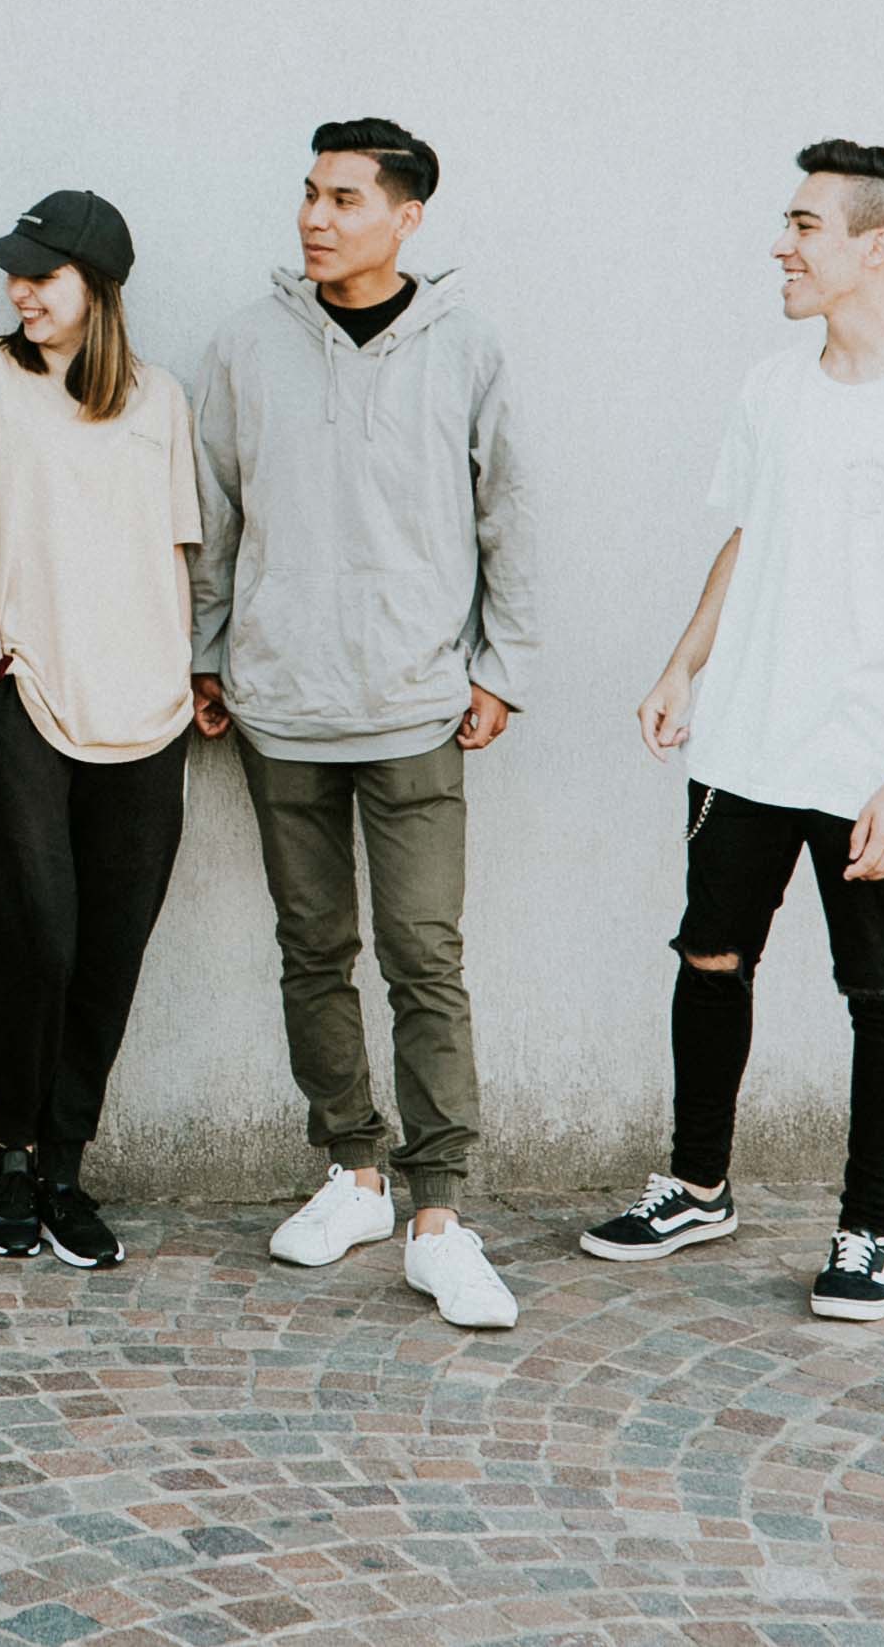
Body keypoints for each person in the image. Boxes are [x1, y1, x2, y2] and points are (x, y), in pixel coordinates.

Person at [582, 141, 884, 1323]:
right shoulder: (772, 385)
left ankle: (869, 1232)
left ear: (876, 246)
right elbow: (747, 537)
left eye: (804, 223)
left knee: (878, 986)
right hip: (744, 739)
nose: (780, 242)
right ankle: (696, 1182)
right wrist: (683, 662)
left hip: (867, 759)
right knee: (708, 954)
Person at [191, 119, 536, 1331]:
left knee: (424, 956)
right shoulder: (244, 345)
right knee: (310, 947)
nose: (314, 216)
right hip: (279, 701)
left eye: (343, 196)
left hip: (413, 704)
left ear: (406, 216)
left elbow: (510, 517)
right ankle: (352, 1168)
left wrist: (504, 663)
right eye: (307, 192)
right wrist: (208, 648)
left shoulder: (467, 347)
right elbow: (215, 514)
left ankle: (441, 1210)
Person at [0, 189, 205, 1271]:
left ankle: (67, 1158)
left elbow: (176, 550)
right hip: (22, 695)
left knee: (112, 949)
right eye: (13, 273)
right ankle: (10, 1148)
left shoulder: (159, 400)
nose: (19, 290)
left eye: (42, 272)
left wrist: (184, 673)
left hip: (149, 711)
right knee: (35, 937)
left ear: (99, 288)